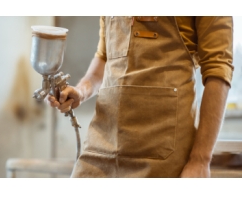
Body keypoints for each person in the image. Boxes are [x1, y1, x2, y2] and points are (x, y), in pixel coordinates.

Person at [46, 16, 234, 178]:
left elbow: (218, 71)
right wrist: (81, 92)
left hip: (163, 152)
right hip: (101, 146)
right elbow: (105, 57)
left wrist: (200, 159)